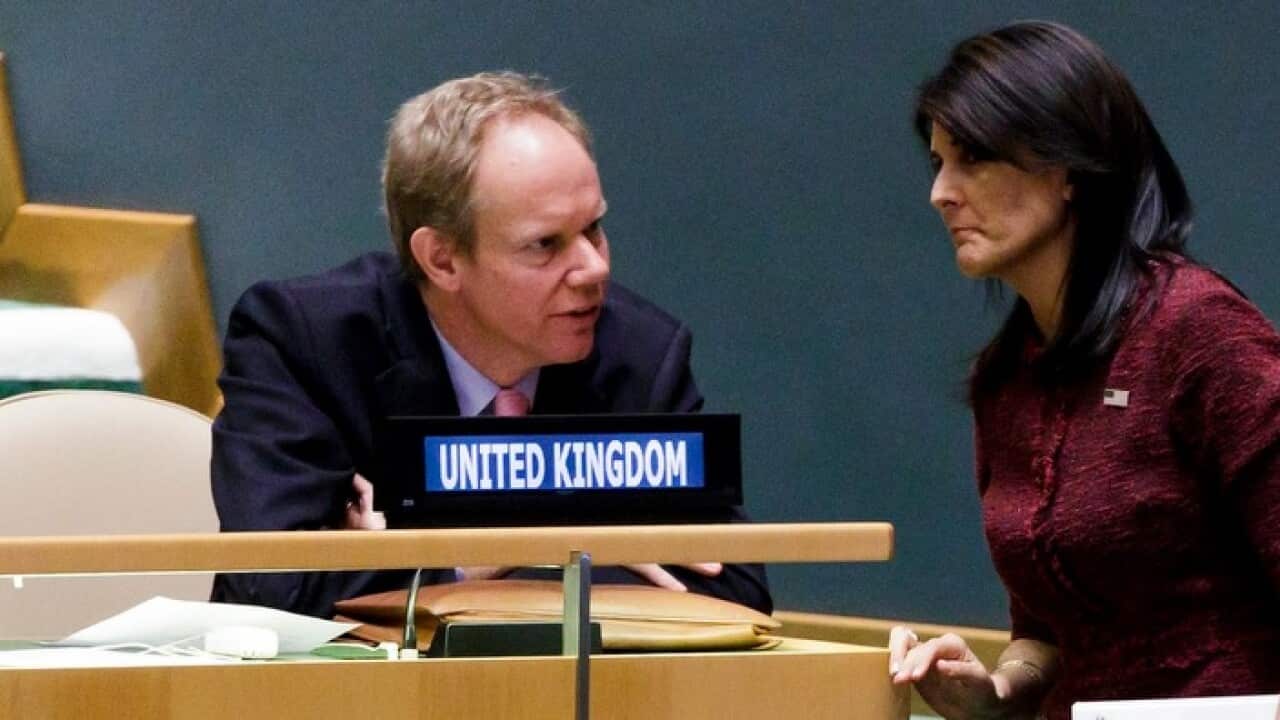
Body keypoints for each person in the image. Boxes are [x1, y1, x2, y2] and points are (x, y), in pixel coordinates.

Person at [210, 71, 770, 619]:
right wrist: (492, 559)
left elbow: (736, 592)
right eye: (545, 245)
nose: (595, 268)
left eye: (594, 228)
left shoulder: (640, 354)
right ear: (443, 259)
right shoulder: (305, 343)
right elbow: (273, 593)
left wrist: (437, 555)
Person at [891, 21, 1280, 720]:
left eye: (972, 158)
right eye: (937, 162)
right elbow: (1045, 633)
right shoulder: (1006, 378)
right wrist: (999, 690)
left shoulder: (1200, 332)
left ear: (1065, 168)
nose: (940, 193)